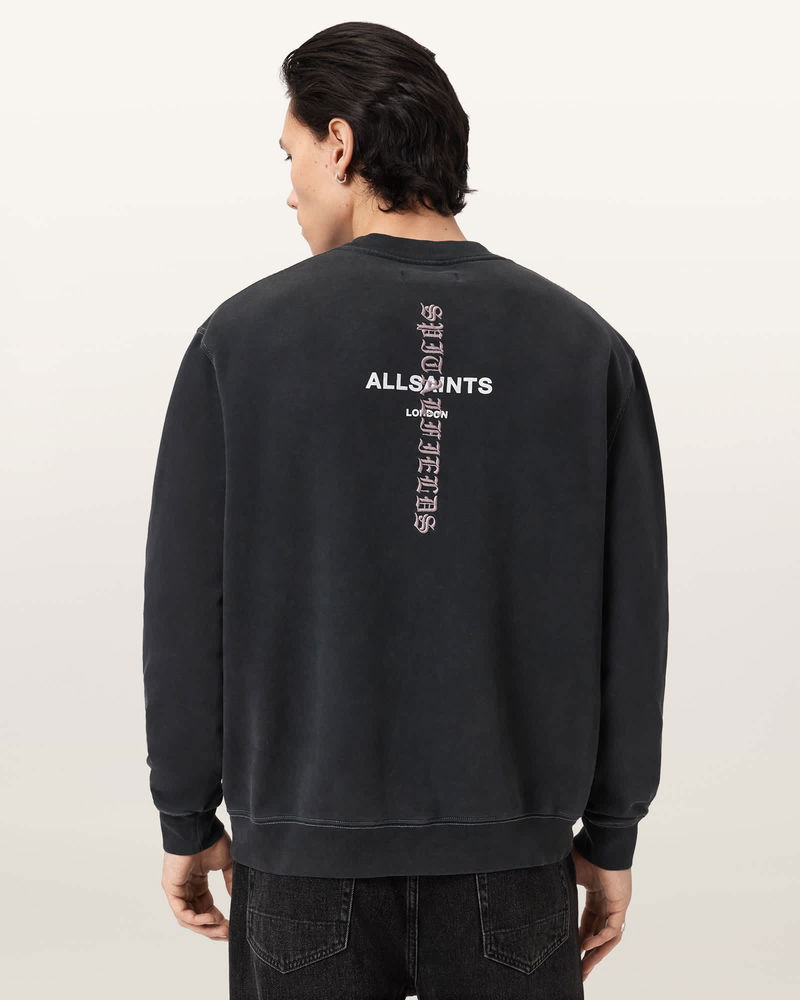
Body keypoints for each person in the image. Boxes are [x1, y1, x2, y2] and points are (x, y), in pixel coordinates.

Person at [141, 20, 669, 1000]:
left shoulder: (241, 342)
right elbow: (631, 618)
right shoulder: (583, 347)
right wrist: (610, 834)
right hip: (514, 865)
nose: (288, 187)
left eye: (290, 154)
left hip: (303, 859)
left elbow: (183, 603)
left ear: (339, 145)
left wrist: (185, 816)